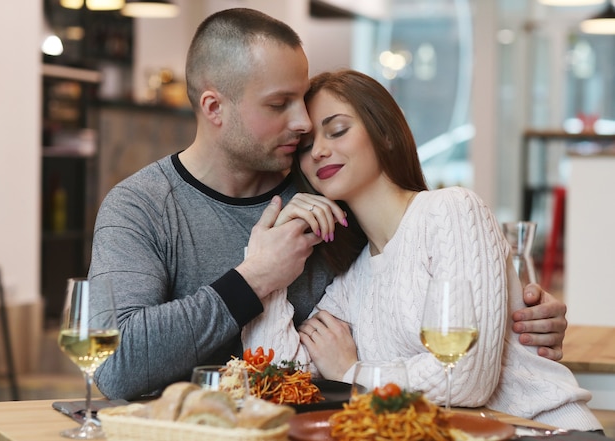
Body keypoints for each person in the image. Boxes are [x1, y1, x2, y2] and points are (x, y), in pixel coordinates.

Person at [89, 7, 568, 401]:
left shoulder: (330, 203)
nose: (302, 126)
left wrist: (518, 314)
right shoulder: (141, 207)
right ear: (215, 109)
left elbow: (439, 287)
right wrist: (257, 277)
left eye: (309, 106)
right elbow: (114, 368)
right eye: (280, 105)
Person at [241, 69, 602, 431]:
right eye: (306, 148)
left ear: (384, 134)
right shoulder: (351, 282)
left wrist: (352, 374)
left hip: (546, 430)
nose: (319, 151)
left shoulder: (452, 211)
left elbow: (465, 378)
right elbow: (284, 384)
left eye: (338, 130)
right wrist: (264, 261)